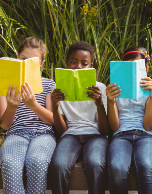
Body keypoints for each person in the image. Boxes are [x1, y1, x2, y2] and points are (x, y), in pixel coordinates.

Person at [49, 41, 109, 194]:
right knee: (59, 165)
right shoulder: (59, 89)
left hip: (95, 136)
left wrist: (99, 104)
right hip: (70, 135)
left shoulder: (100, 88)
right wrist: (55, 106)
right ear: (67, 63)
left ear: (91, 66)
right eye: (74, 62)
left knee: (95, 164)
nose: (78, 67)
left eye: (84, 63)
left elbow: (104, 130)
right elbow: (62, 130)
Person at [0, 37, 56, 194]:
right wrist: (12, 106)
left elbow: (52, 120)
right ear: (17, 56)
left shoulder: (49, 84)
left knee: (37, 162)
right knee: (10, 163)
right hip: (16, 133)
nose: (26, 63)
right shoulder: (5, 85)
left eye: (32, 61)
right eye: (23, 59)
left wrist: (33, 104)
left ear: (41, 64)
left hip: (43, 134)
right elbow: (4, 125)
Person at [106, 46, 152, 194]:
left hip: (145, 135)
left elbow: (148, 126)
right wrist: (110, 101)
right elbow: (114, 126)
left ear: (146, 68)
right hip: (120, 135)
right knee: (117, 168)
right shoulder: (115, 90)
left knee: (146, 166)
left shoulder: (150, 91)